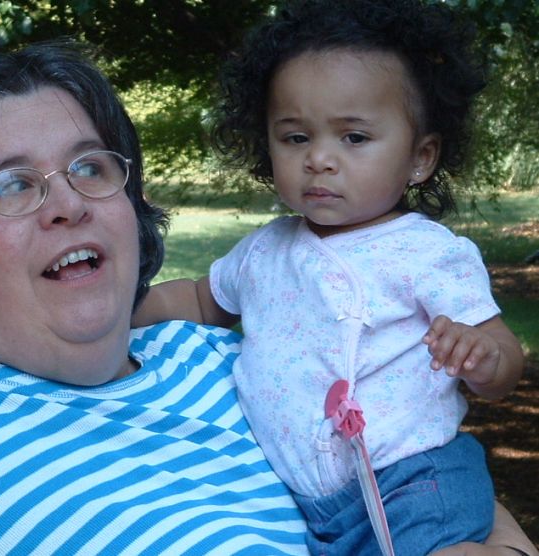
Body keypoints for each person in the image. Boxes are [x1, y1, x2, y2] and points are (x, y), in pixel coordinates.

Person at [0, 42, 533, 556]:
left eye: (89, 167)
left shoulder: (222, 357)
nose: (68, 203)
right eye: (13, 183)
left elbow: (424, 480)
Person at [131, 1, 527, 555]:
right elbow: (199, 299)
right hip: (317, 504)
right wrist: (121, 313)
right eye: (296, 138)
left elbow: (504, 359)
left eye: (354, 138)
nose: (319, 158)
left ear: (421, 157)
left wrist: (483, 359)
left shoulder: (428, 252)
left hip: (415, 476)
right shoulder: (265, 250)